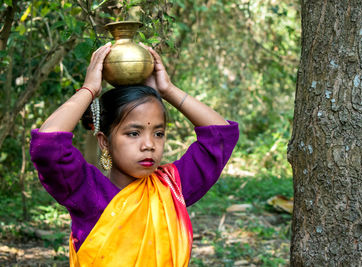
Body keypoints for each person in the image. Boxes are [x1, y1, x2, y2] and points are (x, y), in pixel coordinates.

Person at [29, 42, 239, 266]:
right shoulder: (87, 191)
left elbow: (221, 135)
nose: (149, 144)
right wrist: (89, 90)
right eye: (133, 133)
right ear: (104, 141)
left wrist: (168, 90)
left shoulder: (172, 187)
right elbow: (48, 144)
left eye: (158, 133)